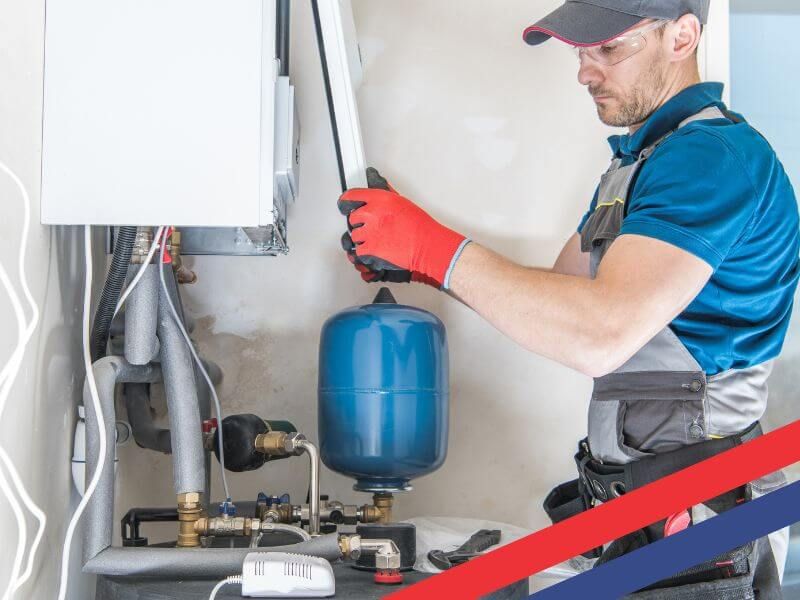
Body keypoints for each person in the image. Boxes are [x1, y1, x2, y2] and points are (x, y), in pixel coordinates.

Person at [337, 1, 799, 596]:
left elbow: (597, 335)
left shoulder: (709, 158)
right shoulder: (641, 162)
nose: (585, 71)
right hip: (642, 511)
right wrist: (422, 265)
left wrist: (436, 250)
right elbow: (561, 299)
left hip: (697, 519)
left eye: (609, 48)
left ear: (682, 36)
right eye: (582, 50)